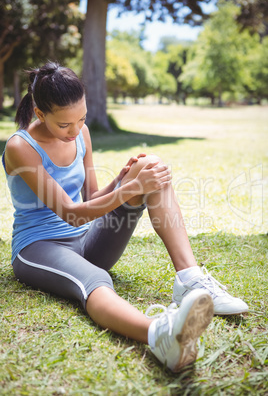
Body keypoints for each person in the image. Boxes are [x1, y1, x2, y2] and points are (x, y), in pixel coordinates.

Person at [2, 62, 248, 373]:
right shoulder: (20, 147)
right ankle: (159, 335)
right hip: (39, 247)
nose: (75, 131)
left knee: (150, 166)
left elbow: (90, 199)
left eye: (81, 119)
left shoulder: (81, 135)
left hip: (86, 240)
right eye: (65, 125)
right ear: (40, 114)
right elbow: (71, 214)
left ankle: (190, 279)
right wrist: (129, 188)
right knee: (96, 281)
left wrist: (121, 181)